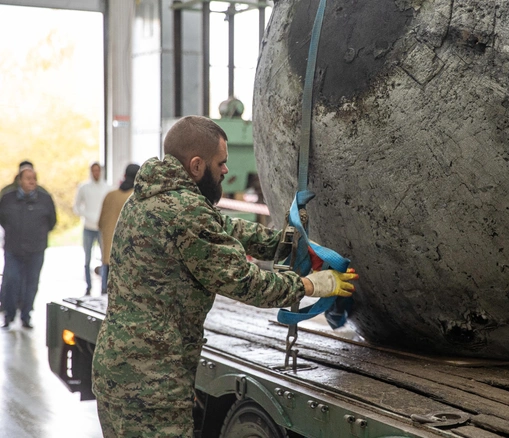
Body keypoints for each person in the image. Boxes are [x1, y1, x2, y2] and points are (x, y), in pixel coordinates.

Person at [91, 115, 358, 437]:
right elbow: (244, 282)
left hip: (125, 365)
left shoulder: (150, 198)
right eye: (221, 162)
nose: (226, 170)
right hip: (150, 376)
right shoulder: (185, 210)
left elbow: (224, 228)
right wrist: (310, 285)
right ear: (196, 165)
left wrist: (285, 242)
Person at [0, 163, 57, 329]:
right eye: (28, 179)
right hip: (13, 248)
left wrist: (39, 234)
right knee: (11, 281)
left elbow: (52, 222)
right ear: (20, 180)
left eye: (34, 179)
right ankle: (9, 315)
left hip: (36, 249)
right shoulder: (8, 198)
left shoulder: (45, 199)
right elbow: (2, 219)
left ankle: (26, 315)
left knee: (31, 283)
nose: (32, 182)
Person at [97, 163, 140, 294]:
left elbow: (100, 223)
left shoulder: (110, 195)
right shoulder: (136, 197)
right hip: (128, 258)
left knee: (105, 298)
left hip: (109, 255)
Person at [73, 162, 110, 295]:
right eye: (94, 171)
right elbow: (76, 206)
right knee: (87, 258)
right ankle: (88, 286)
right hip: (88, 227)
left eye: (98, 171)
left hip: (102, 228)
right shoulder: (84, 188)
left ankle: (104, 286)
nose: (96, 173)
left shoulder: (107, 188)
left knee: (105, 258)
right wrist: (86, 215)